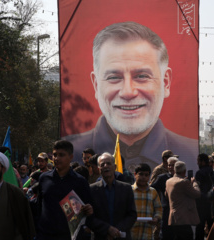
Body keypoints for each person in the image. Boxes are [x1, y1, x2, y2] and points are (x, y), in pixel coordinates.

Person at [64, 21, 198, 173]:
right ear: (96, 85)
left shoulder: (192, 155)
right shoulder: (69, 152)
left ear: (165, 82)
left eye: (141, 76)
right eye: (114, 77)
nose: (128, 92)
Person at [37, 140, 93, 240]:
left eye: (61, 155)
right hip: (45, 235)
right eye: (54, 155)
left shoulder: (80, 181)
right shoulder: (43, 178)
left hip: (69, 236)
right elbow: (38, 206)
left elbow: (88, 209)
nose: (56, 158)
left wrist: (89, 209)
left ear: (71, 157)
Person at [90, 152, 137, 240]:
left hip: (121, 236)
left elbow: (132, 214)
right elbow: (90, 217)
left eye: (108, 163)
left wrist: (116, 231)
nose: (105, 166)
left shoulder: (126, 188)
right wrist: (107, 229)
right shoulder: (92, 190)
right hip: (101, 236)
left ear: (115, 167)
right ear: (99, 169)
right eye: (102, 164)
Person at [165, 161, 200, 240]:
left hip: (173, 218)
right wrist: (194, 183)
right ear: (184, 171)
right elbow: (197, 194)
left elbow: (166, 195)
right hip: (183, 219)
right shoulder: (184, 182)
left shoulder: (168, 181)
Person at [131, 163, 162, 240]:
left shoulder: (153, 192)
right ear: (135, 174)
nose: (143, 177)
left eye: (146, 175)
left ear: (149, 176)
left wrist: (156, 218)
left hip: (147, 233)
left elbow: (159, 209)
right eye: (141, 174)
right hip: (131, 233)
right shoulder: (129, 191)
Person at [150, 156, 178, 240]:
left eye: (173, 165)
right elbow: (152, 188)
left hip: (179, 210)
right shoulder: (162, 178)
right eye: (169, 165)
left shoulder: (182, 178)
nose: (170, 167)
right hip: (166, 209)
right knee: (165, 232)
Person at [195, 153, 214, 240]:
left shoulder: (199, 173)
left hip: (201, 205)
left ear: (203, 162)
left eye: (198, 161)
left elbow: (198, 189)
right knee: (211, 228)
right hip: (212, 205)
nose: (197, 163)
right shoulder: (212, 171)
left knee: (200, 228)